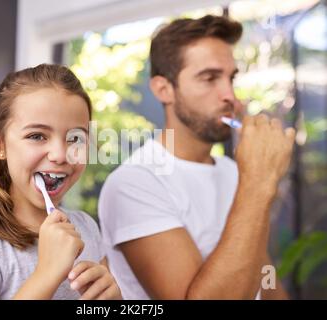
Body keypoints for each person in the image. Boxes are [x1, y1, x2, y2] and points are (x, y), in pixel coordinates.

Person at [98, 15, 295, 299]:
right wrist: (258, 181)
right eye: (209, 78)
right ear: (163, 89)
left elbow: (262, 273)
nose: (230, 95)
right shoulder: (135, 184)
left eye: (231, 78)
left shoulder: (234, 171)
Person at [0, 64, 122, 300]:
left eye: (75, 138)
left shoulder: (87, 228)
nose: (60, 155)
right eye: (37, 136)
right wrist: (47, 274)